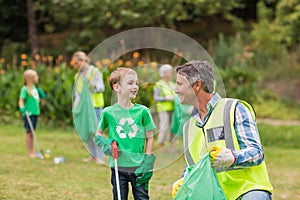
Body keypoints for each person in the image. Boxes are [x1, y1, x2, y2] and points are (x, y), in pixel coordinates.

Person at [172, 61, 273, 200]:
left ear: (197, 85)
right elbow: (193, 167)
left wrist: (233, 158)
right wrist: (183, 181)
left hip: (246, 191)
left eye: (179, 84)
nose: (175, 90)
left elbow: (257, 152)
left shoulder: (233, 109)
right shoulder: (188, 127)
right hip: (212, 195)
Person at [95, 67, 156, 200]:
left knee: (142, 198)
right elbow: (98, 134)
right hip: (118, 167)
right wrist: (106, 144)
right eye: (130, 83)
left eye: (136, 83)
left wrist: (148, 160)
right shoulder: (108, 112)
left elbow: (150, 137)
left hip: (139, 166)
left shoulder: (143, 112)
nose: (135, 86)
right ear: (117, 88)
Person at [72, 51, 105, 164]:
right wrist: (75, 106)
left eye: (76, 63)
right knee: (87, 131)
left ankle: (100, 156)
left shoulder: (95, 72)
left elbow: (102, 87)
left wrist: (93, 85)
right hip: (84, 109)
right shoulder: (77, 76)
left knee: (97, 132)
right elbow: (77, 93)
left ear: (82, 61)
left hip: (95, 106)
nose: (75, 66)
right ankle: (93, 155)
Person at [18, 69, 46, 158]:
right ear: (30, 78)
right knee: (29, 132)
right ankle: (30, 152)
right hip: (28, 113)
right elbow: (21, 101)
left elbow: (35, 100)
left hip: (35, 113)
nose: (37, 77)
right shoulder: (25, 89)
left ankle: (33, 151)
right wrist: (22, 108)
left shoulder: (34, 88)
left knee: (32, 132)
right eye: (36, 76)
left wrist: (41, 94)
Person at [153, 64, 176, 149]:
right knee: (164, 127)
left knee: (172, 128)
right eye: (169, 71)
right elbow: (156, 98)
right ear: (164, 73)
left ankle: (170, 145)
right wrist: (166, 98)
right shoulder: (158, 84)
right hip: (163, 109)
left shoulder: (173, 84)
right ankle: (160, 145)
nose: (171, 73)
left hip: (173, 109)